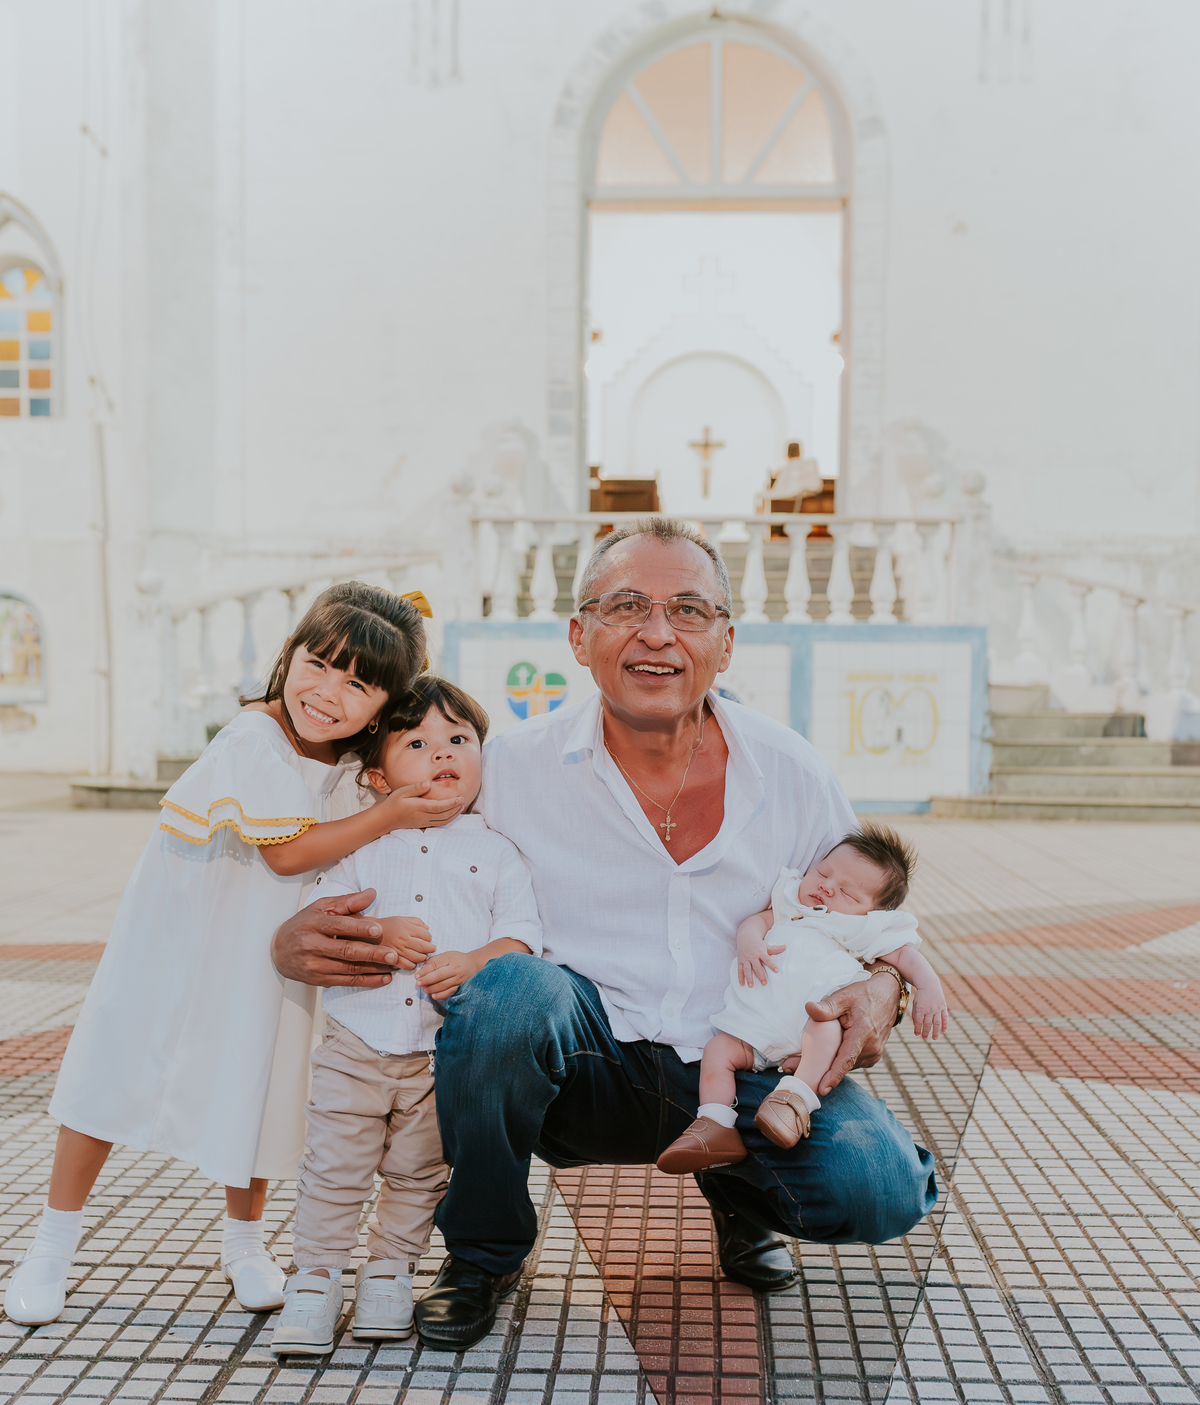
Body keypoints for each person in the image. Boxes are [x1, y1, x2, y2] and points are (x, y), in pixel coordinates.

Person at [270, 519, 939, 1353]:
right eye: (627, 606)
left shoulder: (792, 770)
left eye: (688, 611)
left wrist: (888, 986)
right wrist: (288, 933)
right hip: (581, 1060)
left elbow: (869, 917)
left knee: (877, 1189)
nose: (657, 633)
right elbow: (391, 835)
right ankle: (482, 1255)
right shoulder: (509, 768)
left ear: (726, 644)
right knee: (507, 993)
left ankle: (740, 1190)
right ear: (580, 638)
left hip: (742, 1059)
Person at [4, 584, 447, 1329]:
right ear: (289, 655)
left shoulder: (348, 763)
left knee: (265, 1077)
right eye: (318, 664)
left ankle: (244, 1243)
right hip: (183, 934)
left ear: (383, 704)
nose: (327, 693)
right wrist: (391, 813)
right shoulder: (254, 737)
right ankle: (51, 1242)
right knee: (116, 1066)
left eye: (358, 684)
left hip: (267, 948)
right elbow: (288, 855)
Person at [270, 676, 540, 1357]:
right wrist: (380, 932)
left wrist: (476, 961)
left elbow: (521, 938)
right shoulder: (363, 845)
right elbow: (324, 920)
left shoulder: (498, 852)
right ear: (376, 775)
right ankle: (317, 1277)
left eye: (459, 739)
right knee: (334, 1166)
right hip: (355, 1042)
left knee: (421, 1173)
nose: (441, 752)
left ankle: (390, 1273)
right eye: (417, 742)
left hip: (440, 1052)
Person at [656, 826, 948, 1172]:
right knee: (718, 1052)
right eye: (823, 873)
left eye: (847, 894)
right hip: (753, 1025)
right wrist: (750, 941)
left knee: (824, 1026)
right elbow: (756, 921)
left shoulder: (862, 929)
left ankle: (794, 1098)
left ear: (872, 913)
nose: (826, 886)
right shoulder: (790, 904)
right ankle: (715, 1123)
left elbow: (904, 957)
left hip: (808, 1023)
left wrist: (928, 988)